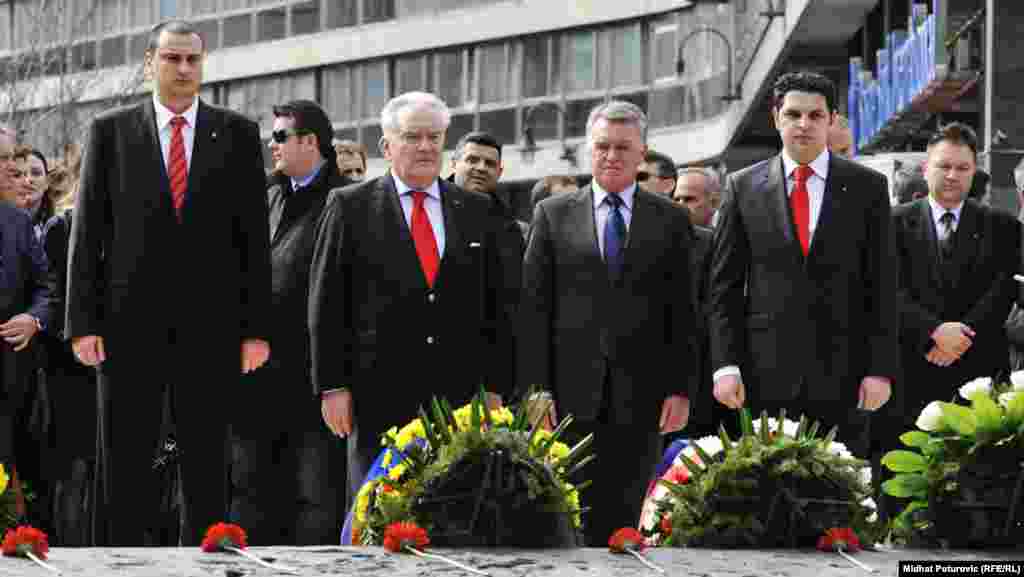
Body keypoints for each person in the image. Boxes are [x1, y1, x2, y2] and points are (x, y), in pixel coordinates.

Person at [66, 20, 271, 546]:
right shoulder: (109, 131)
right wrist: (82, 323)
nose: (184, 69)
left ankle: (206, 556)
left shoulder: (239, 134)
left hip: (212, 328)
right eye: (173, 58)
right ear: (149, 62)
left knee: (206, 459)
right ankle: (121, 561)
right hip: (127, 325)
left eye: (193, 60)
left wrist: (255, 330)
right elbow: (88, 233)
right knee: (125, 459)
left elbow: (251, 240)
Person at [309, 91, 516, 502]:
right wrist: (332, 386)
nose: (425, 147)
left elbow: (497, 307)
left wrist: (495, 388)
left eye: (434, 137)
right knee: (377, 509)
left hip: (457, 398)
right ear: (387, 145)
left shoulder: (475, 210)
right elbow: (326, 301)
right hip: (377, 394)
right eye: (412, 137)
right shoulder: (350, 206)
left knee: (453, 511)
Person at [518, 100, 696, 545]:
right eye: (602, 146)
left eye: (622, 147)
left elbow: (684, 311)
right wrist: (536, 390)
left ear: (642, 154)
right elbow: (534, 309)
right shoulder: (553, 214)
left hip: (644, 397)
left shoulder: (671, 219)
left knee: (626, 522)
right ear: (588, 150)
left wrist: (680, 387)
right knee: (566, 519)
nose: (612, 156)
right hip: (568, 396)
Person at [708, 72, 898, 453]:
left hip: (846, 376)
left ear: (831, 120)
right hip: (763, 375)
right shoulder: (742, 187)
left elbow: (882, 284)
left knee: (843, 499)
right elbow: (724, 286)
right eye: (793, 114)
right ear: (776, 118)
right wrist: (726, 366)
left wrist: (880, 369)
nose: (803, 124)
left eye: (815, 115)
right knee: (766, 493)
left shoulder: (868, 188)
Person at [228, 100, 350, 545]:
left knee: (314, 499)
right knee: (250, 493)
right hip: (256, 380)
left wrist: (334, 382)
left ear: (310, 142)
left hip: (311, 381)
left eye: (280, 136)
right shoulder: (267, 196)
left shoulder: (344, 201)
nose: (271, 144)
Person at [890, 123, 1018, 428]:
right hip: (912, 366)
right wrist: (934, 331)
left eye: (962, 167)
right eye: (944, 166)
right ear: (925, 168)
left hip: (980, 370)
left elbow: (1004, 289)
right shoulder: (890, 223)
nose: (952, 175)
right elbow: (885, 289)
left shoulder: (1003, 226)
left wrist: (961, 337)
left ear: (974, 170)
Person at [0, 125, 55, 528]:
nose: (10, 170)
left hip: (8, 381)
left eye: (10, 159)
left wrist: (34, 318)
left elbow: (48, 287)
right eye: (3, 161)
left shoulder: (17, 224)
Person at [13, 149, 57, 239]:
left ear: (47, 182)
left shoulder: (59, 228)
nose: (28, 179)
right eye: (19, 174)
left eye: (36, 173)